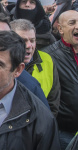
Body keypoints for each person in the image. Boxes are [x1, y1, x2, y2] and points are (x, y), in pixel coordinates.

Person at [43, 10, 78, 149]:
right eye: (72, 23)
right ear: (60, 29)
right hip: (64, 132)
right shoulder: (48, 56)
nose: (77, 26)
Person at [10, 19, 60, 117]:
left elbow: (53, 101)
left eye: (32, 40)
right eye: (23, 41)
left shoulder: (47, 60)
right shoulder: (3, 65)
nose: (29, 46)